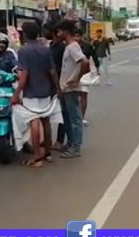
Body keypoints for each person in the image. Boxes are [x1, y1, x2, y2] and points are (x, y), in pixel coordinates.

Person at [12, 22, 62, 168]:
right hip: (46, 90)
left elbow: (24, 74)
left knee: (34, 122)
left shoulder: (23, 51)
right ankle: (47, 153)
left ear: (25, 34)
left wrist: (17, 93)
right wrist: (57, 88)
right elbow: (52, 71)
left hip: (31, 92)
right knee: (45, 121)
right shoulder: (46, 50)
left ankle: (36, 157)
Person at [56, 20, 90, 159]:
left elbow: (85, 62)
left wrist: (76, 78)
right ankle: (70, 143)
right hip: (65, 88)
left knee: (75, 119)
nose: (58, 34)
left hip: (71, 89)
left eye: (59, 31)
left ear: (65, 31)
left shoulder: (73, 47)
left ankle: (75, 147)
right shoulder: (68, 46)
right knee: (67, 117)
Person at [45, 22, 68, 152]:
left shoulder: (62, 47)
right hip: (49, 83)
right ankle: (48, 139)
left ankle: (60, 140)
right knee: (47, 112)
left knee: (62, 112)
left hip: (59, 82)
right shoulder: (51, 46)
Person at [74, 28, 99, 126]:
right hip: (73, 73)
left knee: (84, 96)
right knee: (74, 97)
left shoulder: (87, 46)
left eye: (77, 36)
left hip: (85, 74)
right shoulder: (70, 46)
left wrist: (97, 70)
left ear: (81, 36)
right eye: (74, 36)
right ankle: (75, 117)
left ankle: (82, 117)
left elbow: (95, 57)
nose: (76, 38)